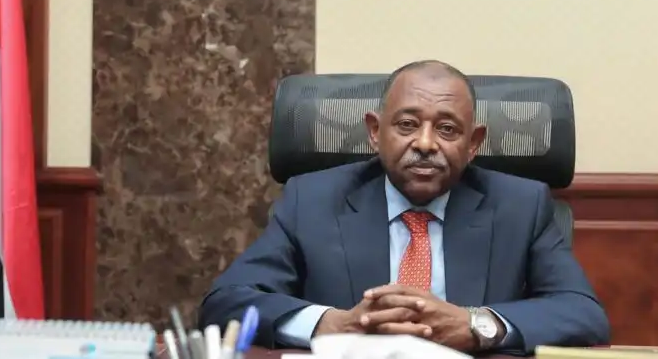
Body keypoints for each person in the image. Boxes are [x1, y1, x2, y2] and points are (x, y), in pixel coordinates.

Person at [199, 60, 610, 354]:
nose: (426, 143)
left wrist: (475, 325)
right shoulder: (312, 198)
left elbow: (582, 314)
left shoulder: (521, 205)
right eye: (407, 125)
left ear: (473, 144)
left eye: (447, 129)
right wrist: (332, 323)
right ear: (375, 132)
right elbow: (226, 301)